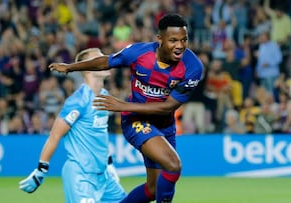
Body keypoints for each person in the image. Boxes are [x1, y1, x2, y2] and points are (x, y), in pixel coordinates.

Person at [49, 13, 203, 203]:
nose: (179, 46)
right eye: (173, 40)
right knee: (173, 165)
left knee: (154, 189)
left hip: (163, 123)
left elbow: (167, 107)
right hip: (136, 120)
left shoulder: (193, 67)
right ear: (160, 39)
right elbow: (106, 61)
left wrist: (122, 105)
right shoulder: (139, 53)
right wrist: (71, 67)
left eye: (184, 40)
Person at [19, 48, 126, 203]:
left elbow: (101, 133)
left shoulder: (105, 96)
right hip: (81, 175)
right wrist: (41, 170)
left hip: (103, 176)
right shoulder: (78, 101)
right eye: (99, 57)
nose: (105, 59)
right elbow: (55, 135)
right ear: (88, 67)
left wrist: (109, 164)